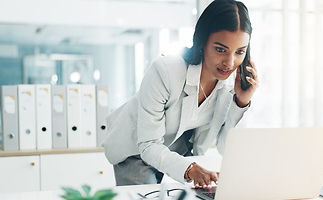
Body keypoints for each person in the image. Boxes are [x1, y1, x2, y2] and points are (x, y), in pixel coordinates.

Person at [103, 0, 259, 188]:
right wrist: (190, 168)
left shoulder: (229, 86)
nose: (229, 62)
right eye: (220, 49)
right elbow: (149, 145)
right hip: (137, 150)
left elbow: (226, 149)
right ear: (203, 41)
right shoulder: (165, 71)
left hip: (179, 151)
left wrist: (242, 102)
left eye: (239, 52)